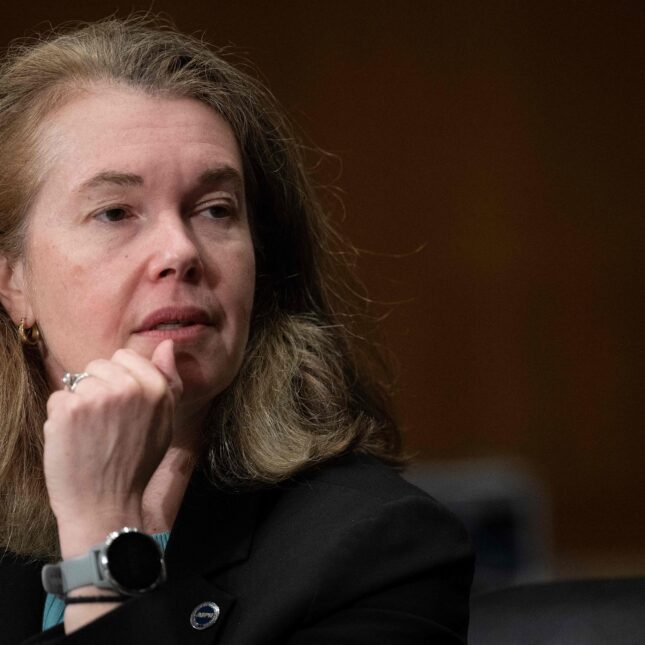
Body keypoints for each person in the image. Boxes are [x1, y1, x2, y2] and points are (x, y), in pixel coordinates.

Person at [0, 17, 473, 644]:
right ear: (14, 283)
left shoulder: (378, 547)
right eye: (115, 212)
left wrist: (104, 532)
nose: (180, 249)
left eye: (215, 210)